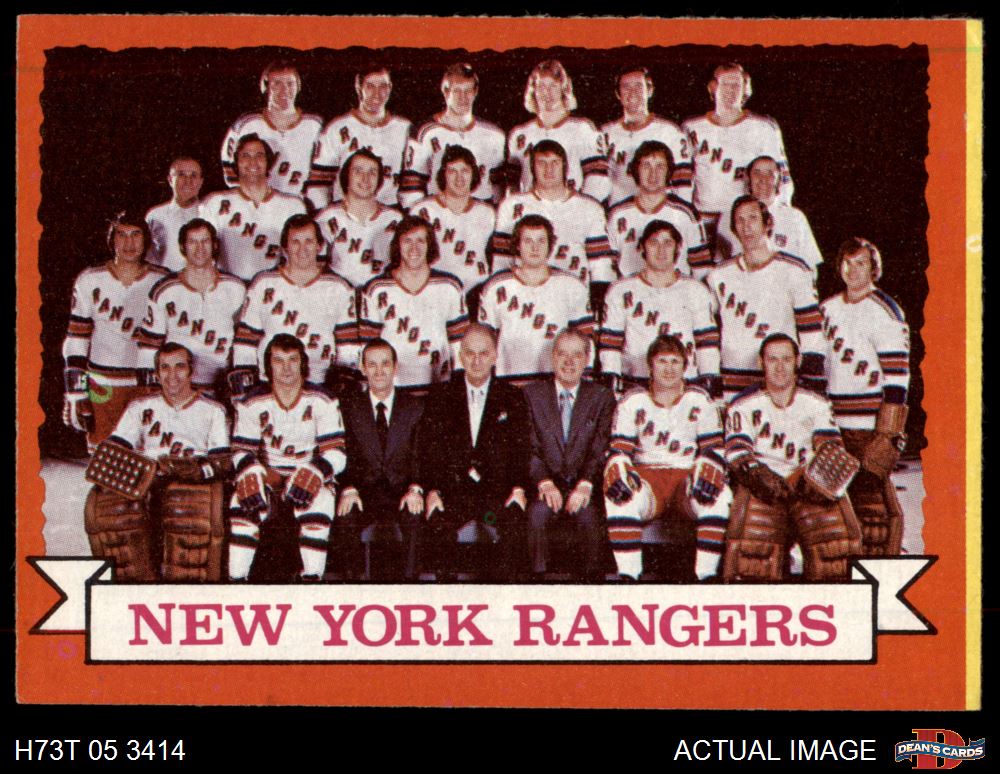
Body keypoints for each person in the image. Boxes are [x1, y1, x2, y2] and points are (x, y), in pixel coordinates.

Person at [722, 333, 863, 581]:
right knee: (753, 549)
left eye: (786, 359)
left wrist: (816, 479)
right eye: (772, 359)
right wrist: (757, 475)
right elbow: (737, 452)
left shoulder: (817, 403)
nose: (780, 367)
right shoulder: (742, 405)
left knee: (835, 546)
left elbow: (832, 449)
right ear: (761, 363)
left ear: (797, 361)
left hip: (807, 482)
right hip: (765, 485)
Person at [86, 343, 231, 582]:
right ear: (156, 373)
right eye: (165, 367)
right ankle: (137, 584)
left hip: (190, 481)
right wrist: (141, 472)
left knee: (184, 511)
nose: (172, 375)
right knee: (115, 512)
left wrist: (195, 471)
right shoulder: (140, 407)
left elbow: (222, 463)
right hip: (147, 479)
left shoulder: (212, 410)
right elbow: (111, 452)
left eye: (179, 367)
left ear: (191, 371)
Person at [603, 335, 731, 581]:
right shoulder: (633, 401)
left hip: (686, 476)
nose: (669, 368)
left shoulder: (700, 399)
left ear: (685, 366)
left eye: (675, 361)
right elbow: (619, 450)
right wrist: (617, 465)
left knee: (719, 495)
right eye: (662, 361)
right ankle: (629, 577)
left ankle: (705, 577)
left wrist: (709, 464)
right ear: (650, 366)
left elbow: (714, 448)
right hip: (647, 478)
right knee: (619, 494)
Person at [228, 333, 346, 582]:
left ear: (303, 363)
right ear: (268, 366)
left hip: (307, 471)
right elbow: (240, 451)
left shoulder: (323, 400)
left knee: (320, 502)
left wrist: (314, 472)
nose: (286, 368)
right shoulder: (251, 402)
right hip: (268, 475)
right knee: (241, 502)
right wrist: (252, 472)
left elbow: (337, 453)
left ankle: (311, 580)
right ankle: (236, 581)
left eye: (293, 360)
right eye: (279, 361)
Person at [419, 323, 531, 580]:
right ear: (460, 356)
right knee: (438, 525)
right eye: (470, 353)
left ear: (495, 356)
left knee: (515, 525)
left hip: (497, 491)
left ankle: (503, 598)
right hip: (454, 492)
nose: (477, 360)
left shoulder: (512, 397)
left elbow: (521, 448)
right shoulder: (442, 395)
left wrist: (518, 488)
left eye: (484, 353)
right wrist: (433, 490)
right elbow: (430, 448)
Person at [821, 238, 911, 556]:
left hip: (868, 425)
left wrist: (888, 433)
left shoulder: (886, 311)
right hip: (832, 423)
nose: (853, 269)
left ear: (874, 268)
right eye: (847, 263)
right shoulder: (827, 309)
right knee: (832, 507)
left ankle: (882, 565)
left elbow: (898, 378)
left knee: (873, 509)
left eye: (860, 263)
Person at [63, 209, 169, 449]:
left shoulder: (162, 281)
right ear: (112, 239)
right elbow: (76, 339)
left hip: (146, 384)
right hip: (102, 384)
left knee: (147, 456)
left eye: (136, 235)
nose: (129, 243)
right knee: (103, 457)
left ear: (146, 239)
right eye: (122, 235)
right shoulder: (90, 279)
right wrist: (75, 393)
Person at [704, 196, 825, 402]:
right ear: (733, 229)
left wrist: (811, 382)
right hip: (732, 378)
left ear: (767, 223)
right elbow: (709, 331)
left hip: (779, 379)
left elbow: (811, 331)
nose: (746, 227)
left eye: (752, 218)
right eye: (740, 220)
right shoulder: (719, 275)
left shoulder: (794, 270)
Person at [231, 214, 359, 398]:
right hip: (270, 385)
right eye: (295, 242)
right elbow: (246, 343)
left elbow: (348, 347)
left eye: (309, 241)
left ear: (319, 246)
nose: (302, 249)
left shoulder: (339, 288)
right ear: (285, 248)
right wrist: (248, 391)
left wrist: (338, 390)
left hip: (320, 384)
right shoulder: (263, 284)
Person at [523, 329, 615, 580]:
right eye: (562, 354)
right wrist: (544, 482)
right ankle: (536, 587)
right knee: (536, 516)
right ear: (553, 357)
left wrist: (585, 484)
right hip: (545, 485)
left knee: (590, 519)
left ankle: (591, 590)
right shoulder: (532, 395)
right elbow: (529, 446)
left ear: (587, 360)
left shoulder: (602, 397)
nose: (569, 362)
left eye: (577, 355)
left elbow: (600, 448)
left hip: (584, 486)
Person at [336, 339, 425, 579]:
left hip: (401, 491)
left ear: (395, 367)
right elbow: (343, 453)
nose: (379, 371)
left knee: (415, 516)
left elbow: (420, 455)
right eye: (372, 364)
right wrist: (348, 488)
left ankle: (411, 587)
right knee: (346, 516)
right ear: (363, 368)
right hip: (363, 492)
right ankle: (352, 589)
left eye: (385, 364)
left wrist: (415, 488)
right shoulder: (349, 407)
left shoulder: (414, 406)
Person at [600, 220, 721, 397]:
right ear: (642, 247)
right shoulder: (620, 290)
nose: (661, 250)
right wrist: (612, 391)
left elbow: (707, 346)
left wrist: (709, 388)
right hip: (635, 385)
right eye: (654, 242)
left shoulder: (695, 290)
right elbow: (610, 347)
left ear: (678, 248)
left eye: (668, 243)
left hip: (684, 386)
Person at [682, 63, 793, 247]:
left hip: (744, 223)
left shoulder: (763, 128)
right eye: (725, 84)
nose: (731, 90)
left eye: (737, 85)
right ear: (713, 87)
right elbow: (683, 181)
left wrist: (780, 220)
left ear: (745, 89)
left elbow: (783, 181)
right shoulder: (692, 128)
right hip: (704, 220)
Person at [135, 218, 246, 396]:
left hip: (221, 387)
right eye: (193, 242)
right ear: (182, 247)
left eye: (205, 241)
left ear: (215, 245)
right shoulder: (164, 290)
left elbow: (245, 342)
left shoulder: (236, 287)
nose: (199, 248)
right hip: (177, 387)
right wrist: (151, 392)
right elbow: (149, 346)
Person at [491, 139, 614, 299]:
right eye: (542, 163)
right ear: (532, 168)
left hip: (573, 296)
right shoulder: (511, 205)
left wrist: (599, 296)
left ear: (565, 167)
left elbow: (601, 263)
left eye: (555, 163)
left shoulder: (589, 207)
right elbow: (501, 260)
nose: (549, 169)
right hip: (525, 296)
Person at [479, 214, 594, 384]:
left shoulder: (572, 286)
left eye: (541, 241)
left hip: (555, 383)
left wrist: (584, 383)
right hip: (509, 382)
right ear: (518, 245)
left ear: (550, 245)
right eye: (528, 241)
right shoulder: (495, 287)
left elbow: (586, 340)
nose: (535, 248)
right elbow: (483, 343)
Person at [358, 215, 468, 391]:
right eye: (407, 241)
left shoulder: (450, 286)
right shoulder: (376, 288)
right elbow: (368, 346)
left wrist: (458, 386)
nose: (414, 248)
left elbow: (460, 342)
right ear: (397, 245)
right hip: (393, 387)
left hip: (439, 385)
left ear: (430, 245)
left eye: (420, 241)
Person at [200, 133, 307, 282]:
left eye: (259, 155)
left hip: (275, 286)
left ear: (269, 162)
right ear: (236, 162)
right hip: (227, 285)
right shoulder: (214, 203)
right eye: (245, 156)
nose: (253, 162)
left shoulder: (293, 206)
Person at [399, 63, 506, 209]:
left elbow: (498, 187)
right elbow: (412, 187)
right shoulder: (424, 132)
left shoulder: (494, 134)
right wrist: (419, 218)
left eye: (468, 90)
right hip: (440, 212)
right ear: (445, 91)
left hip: (480, 213)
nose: (463, 97)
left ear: (475, 92)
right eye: (457, 91)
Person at [308, 65, 411, 209]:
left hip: (390, 211)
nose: (377, 94)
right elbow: (318, 184)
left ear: (390, 88)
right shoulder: (337, 128)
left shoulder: (404, 128)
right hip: (346, 211)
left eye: (382, 86)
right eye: (370, 86)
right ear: (359, 88)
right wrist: (325, 215)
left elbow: (411, 184)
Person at [507, 59, 609, 203]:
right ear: (533, 91)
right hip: (532, 211)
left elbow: (599, 181)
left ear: (563, 89)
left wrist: (580, 208)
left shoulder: (582, 129)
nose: (547, 93)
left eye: (553, 86)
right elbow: (512, 186)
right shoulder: (520, 134)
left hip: (571, 209)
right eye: (541, 86)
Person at [606, 140, 711, 279]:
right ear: (635, 169)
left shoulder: (686, 214)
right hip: (630, 289)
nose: (653, 174)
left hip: (676, 289)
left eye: (660, 167)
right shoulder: (616, 214)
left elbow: (702, 270)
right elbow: (607, 268)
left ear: (669, 171)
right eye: (646, 166)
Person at [412, 144, 494, 316]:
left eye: (465, 171)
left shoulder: (488, 213)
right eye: (452, 171)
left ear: (474, 174)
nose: (459, 178)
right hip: (435, 291)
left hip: (477, 294)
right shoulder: (423, 210)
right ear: (443, 174)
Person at [221, 60, 324, 198]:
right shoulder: (247, 124)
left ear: (298, 86)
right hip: (258, 203)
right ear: (266, 86)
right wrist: (246, 199)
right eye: (277, 83)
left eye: (290, 83)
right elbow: (229, 166)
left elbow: (326, 172)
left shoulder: (315, 125)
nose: (284, 90)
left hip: (302, 204)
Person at [602, 67, 692, 208]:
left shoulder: (669, 132)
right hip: (619, 212)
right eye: (626, 87)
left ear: (649, 91)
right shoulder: (605, 133)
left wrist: (680, 213)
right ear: (618, 94)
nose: (632, 93)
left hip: (659, 211)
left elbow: (683, 184)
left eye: (638, 86)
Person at [716, 155, 823, 272]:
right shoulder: (728, 217)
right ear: (748, 179)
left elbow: (811, 266)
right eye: (757, 173)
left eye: (770, 174)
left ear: (779, 180)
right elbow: (720, 266)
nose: (763, 179)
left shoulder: (795, 218)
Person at [315, 149, 402, 289]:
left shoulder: (395, 219)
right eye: (358, 171)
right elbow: (317, 270)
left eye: (372, 172)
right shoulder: (327, 218)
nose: (365, 178)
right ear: (346, 177)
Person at [145, 157, 205, 272]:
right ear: (170, 179)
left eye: (193, 175)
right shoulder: (155, 216)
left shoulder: (210, 213)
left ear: (201, 181)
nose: (188, 181)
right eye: (181, 175)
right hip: (164, 279)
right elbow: (147, 256)